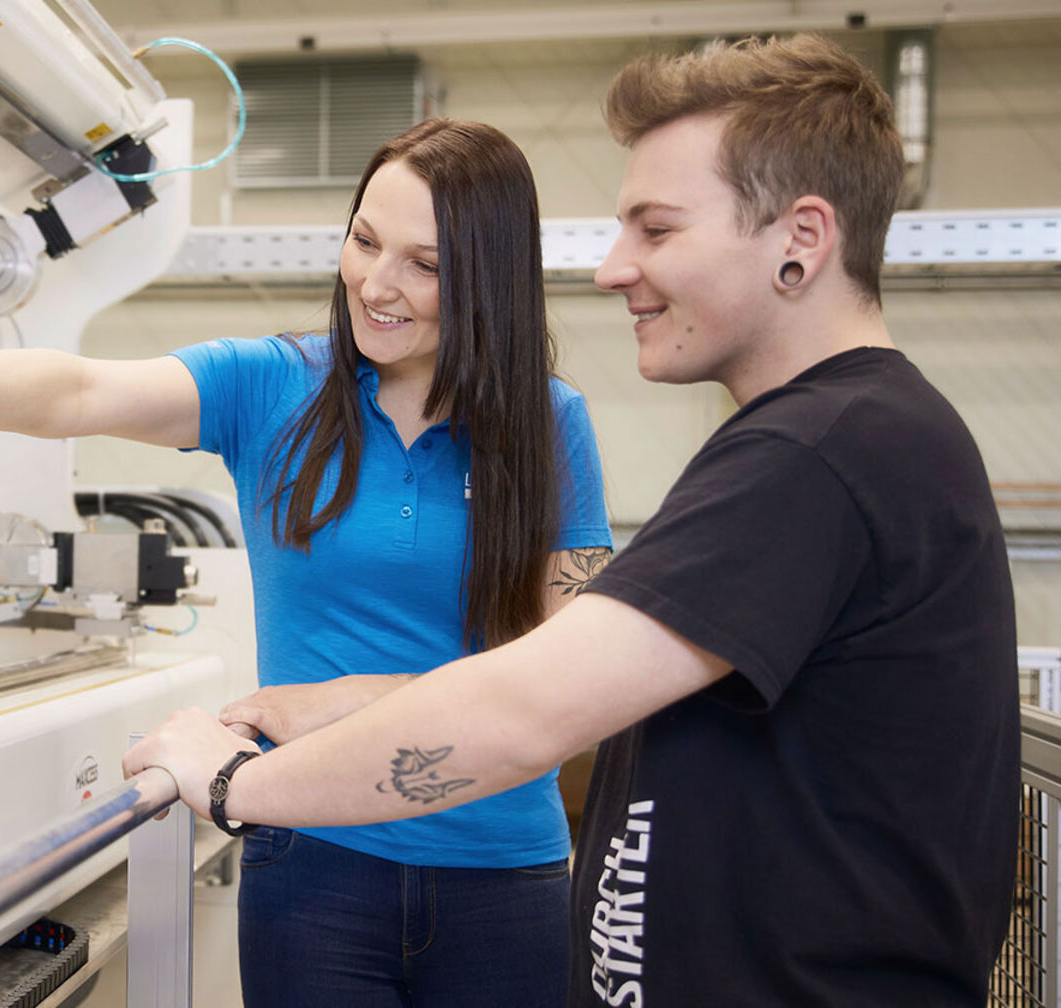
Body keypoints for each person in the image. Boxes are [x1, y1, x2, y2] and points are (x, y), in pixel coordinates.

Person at [125, 33, 1019, 1007]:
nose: (611, 267)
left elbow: (526, 714)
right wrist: (339, 701)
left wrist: (229, 787)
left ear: (801, 241)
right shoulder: (829, 439)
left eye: (656, 229)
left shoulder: (822, 455)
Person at [0, 119, 613, 1007]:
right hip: (313, 861)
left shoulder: (547, 425)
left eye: (425, 264)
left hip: (505, 875)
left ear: (488, 277)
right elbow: (80, 389)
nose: (377, 285)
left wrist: (352, 701)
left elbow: (581, 679)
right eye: (365, 241)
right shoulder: (273, 388)